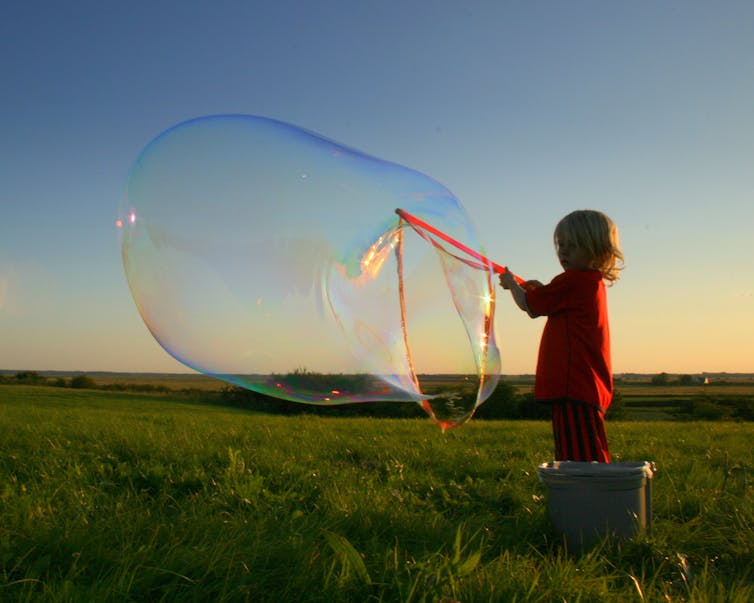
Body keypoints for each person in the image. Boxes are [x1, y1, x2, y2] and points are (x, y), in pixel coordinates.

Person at [499, 210, 623, 463]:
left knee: (578, 459)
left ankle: (588, 499)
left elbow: (529, 306)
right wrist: (543, 290)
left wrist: (511, 284)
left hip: (573, 386)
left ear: (597, 249)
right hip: (585, 385)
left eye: (573, 246)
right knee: (589, 451)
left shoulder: (573, 281)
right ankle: (597, 497)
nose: (564, 252)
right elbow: (556, 305)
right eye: (561, 246)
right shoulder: (590, 282)